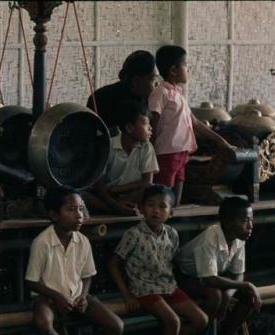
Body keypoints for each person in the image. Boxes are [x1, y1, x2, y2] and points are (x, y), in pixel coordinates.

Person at [107, 185, 208, 335]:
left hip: (169, 287)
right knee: (173, 322)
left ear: (171, 212)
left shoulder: (172, 234)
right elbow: (113, 264)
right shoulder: (134, 234)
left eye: (162, 206)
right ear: (141, 208)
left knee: (201, 320)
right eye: (150, 205)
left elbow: (172, 262)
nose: (156, 210)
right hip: (144, 290)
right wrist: (127, 295)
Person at [25, 186, 124, 335]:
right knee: (43, 324)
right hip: (48, 298)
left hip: (77, 296)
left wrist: (83, 296)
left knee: (116, 326)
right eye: (71, 209)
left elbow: (87, 275)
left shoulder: (83, 241)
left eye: (81, 209)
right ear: (54, 215)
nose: (79, 215)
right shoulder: (42, 242)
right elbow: (32, 282)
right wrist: (57, 296)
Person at [148, 45, 235, 206]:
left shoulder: (178, 93)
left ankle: (173, 222)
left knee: (176, 199)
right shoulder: (161, 92)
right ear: (174, 70)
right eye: (186, 65)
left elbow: (194, 122)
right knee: (162, 198)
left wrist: (220, 140)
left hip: (182, 153)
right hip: (167, 153)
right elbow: (153, 121)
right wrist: (150, 152)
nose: (188, 69)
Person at [174, 196, 261, 335]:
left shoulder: (239, 238)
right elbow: (210, 280)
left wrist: (229, 292)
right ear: (227, 222)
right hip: (183, 278)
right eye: (245, 221)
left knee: (247, 296)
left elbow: (238, 274)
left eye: (251, 220)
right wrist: (247, 285)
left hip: (209, 278)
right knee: (215, 295)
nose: (250, 226)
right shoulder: (211, 237)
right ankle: (204, 334)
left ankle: (225, 334)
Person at [83, 100, 159, 216]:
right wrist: (115, 204)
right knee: (82, 195)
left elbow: (147, 182)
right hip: (106, 194)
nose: (150, 128)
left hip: (130, 193)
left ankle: (113, 208)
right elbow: (99, 186)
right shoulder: (108, 146)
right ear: (129, 127)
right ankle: (116, 209)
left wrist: (118, 189)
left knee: (151, 190)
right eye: (146, 124)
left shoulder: (147, 147)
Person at [87, 50, 159, 138]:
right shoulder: (101, 99)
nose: (157, 84)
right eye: (153, 79)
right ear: (136, 81)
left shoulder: (150, 99)